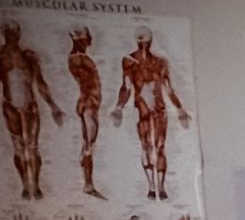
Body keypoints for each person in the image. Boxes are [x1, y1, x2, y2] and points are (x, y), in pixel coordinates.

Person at [0, 21, 65, 200]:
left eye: (14, 32)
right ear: (3, 33)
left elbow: (40, 82)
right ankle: (25, 186)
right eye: (8, 32)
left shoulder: (29, 56)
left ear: (19, 33)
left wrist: (53, 106)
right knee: (19, 147)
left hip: (30, 105)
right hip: (10, 105)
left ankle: (35, 185)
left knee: (33, 147)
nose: (12, 35)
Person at [110, 26, 191, 200]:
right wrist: (119, 107)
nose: (144, 44)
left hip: (157, 110)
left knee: (158, 146)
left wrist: (180, 109)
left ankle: (159, 187)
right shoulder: (129, 61)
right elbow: (126, 87)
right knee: (148, 146)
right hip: (143, 110)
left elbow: (169, 90)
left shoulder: (160, 62)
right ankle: (153, 187)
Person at [67, 26, 105, 198]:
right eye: (87, 37)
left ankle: (88, 183)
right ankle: (88, 184)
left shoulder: (79, 58)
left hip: (90, 103)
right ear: (81, 39)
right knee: (89, 146)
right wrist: (89, 99)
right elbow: (86, 81)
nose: (90, 40)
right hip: (89, 103)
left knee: (88, 144)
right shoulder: (78, 58)